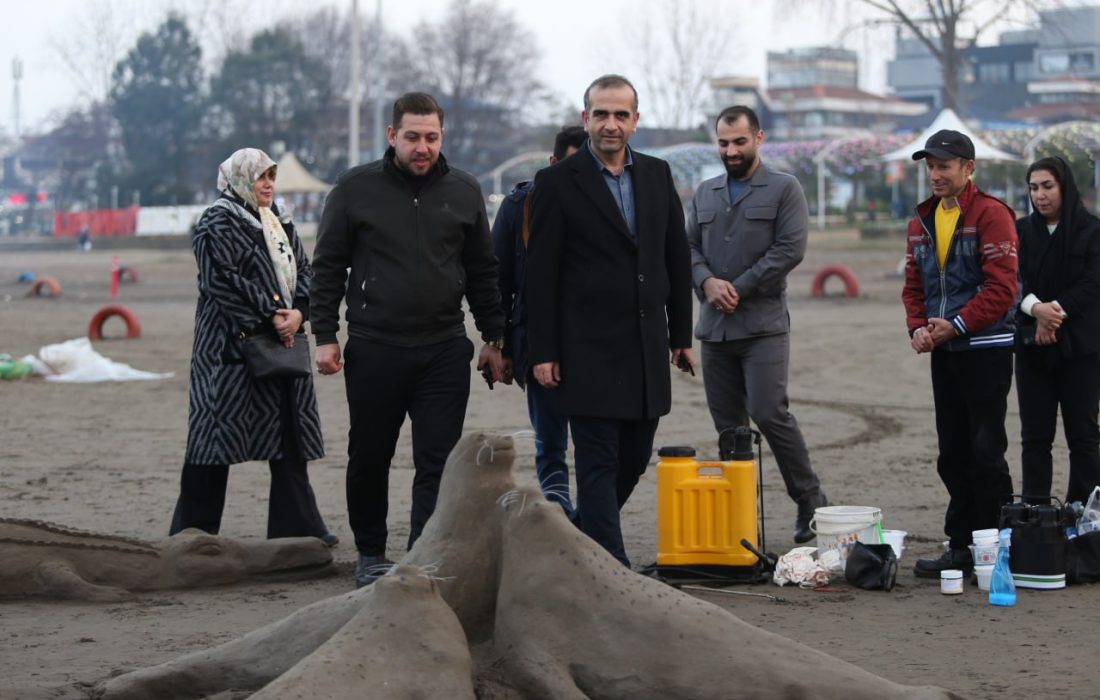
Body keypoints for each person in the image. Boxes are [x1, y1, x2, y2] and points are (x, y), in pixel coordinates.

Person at [310, 92, 506, 588]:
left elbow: (483, 271)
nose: (423, 147)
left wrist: (494, 335)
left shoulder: (464, 191)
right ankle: (371, 553)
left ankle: (422, 553)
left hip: (443, 347)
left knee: (436, 461)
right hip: (376, 347)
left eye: (432, 137)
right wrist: (326, 335)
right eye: (413, 137)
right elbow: (328, 266)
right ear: (392, 135)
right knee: (370, 454)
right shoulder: (354, 189)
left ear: (443, 136)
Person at [526, 74, 694, 567]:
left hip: (645, 347)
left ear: (636, 121)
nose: (611, 124)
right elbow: (542, 275)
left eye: (621, 114)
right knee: (597, 462)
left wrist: (680, 334)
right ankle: (610, 568)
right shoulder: (556, 182)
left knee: (635, 458)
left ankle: (578, 538)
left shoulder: (658, 175)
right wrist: (543, 351)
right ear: (585, 119)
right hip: (586, 349)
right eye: (601, 114)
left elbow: (675, 258)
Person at [170, 148, 333, 546]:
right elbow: (219, 280)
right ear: (238, 179)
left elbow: (305, 271)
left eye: (271, 177)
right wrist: (272, 313)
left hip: (282, 342)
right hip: (228, 350)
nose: (267, 184)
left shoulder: (279, 221)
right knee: (213, 440)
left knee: (288, 437)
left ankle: (298, 529)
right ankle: (193, 534)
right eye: (260, 176)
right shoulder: (216, 221)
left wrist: (299, 312)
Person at [684, 105, 828, 544]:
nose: (731, 150)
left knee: (769, 412)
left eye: (739, 142)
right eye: (724, 143)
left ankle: (810, 502)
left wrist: (737, 288)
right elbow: (687, 247)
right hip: (715, 331)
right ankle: (738, 516)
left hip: (763, 327)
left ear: (759, 139)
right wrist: (707, 282)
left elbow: (790, 249)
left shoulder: (785, 189)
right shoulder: (704, 193)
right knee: (729, 428)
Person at [902, 129, 1018, 578]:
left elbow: (1003, 288)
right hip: (945, 350)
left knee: (986, 451)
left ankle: (998, 549)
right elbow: (914, 285)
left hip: (985, 349)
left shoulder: (993, 215)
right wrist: (917, 327)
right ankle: (961, 546)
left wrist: (957, 325)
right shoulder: (921, 221)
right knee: (952, 453)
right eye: (930, 166)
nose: (935, 174)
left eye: (944, 165)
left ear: (969, 168)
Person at [491, 125, 587, 516]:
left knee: (597, 443)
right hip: (536, 340)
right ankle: (559, 516)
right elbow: (500, 282)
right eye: (570, 167)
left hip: (593, 342)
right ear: (552, 164)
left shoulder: (615, 203)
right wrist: (500, 344)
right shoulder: (519, 206)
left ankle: (592, 517)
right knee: (550, 443)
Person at [1015, 156, 1100, 505]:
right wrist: (1035, 310)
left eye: (1047, 186)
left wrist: (1053, 314)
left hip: (1080, 350)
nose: (1040, 195)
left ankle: (1085, 514)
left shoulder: (1092, 231)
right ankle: (1036, 514)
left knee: (1083, 437)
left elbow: (1092, 284)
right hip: (1032, 346)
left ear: (1065, 186)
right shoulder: (1019, 232)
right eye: (1033, 187)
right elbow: (1011, 280)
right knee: (1035, 438)